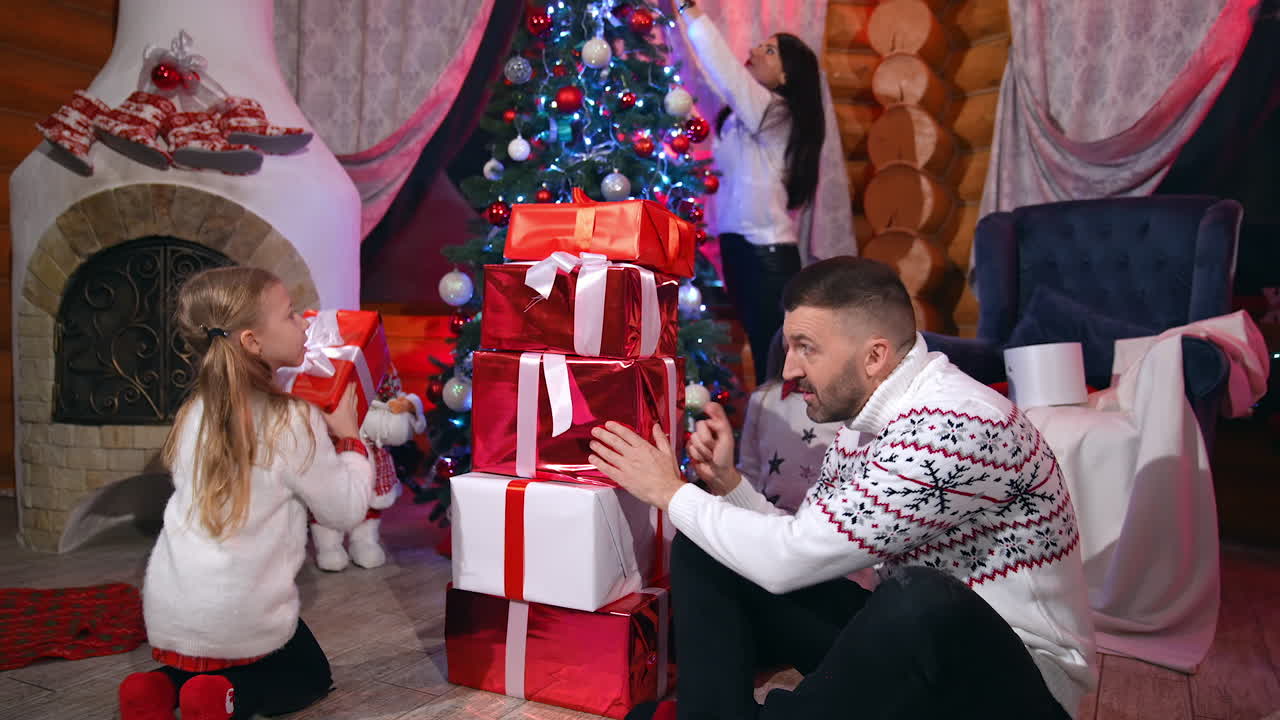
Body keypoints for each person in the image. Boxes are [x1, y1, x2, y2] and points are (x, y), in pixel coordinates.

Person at [588, 257, 1096, 719]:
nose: (788, 369)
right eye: (789, 346)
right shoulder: (862, 423)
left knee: (921, 600)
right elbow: (804, 544)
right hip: (914, 648)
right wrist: (728, 485)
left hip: (1019, 685)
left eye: (805, 348)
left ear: (874, 356)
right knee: (709, 547)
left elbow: (788, 562)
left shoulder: (955, 424)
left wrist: (671, 492)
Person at [117, 267, 375, 720]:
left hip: (167, 614)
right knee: (308, 673)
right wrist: (352, 440)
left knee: (212, 643)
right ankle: (230, 697)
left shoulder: (193, 411)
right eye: (292, 315)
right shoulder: (292, 420)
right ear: (253, 342)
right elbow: (346, 511)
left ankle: (158, 686)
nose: (304, 324)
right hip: (238, 615)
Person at [672, 0, 826, 385]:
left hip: (767, 256)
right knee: (763, 355)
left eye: (769, 50)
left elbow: (726, 73)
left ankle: (782, 441)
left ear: (787, 76)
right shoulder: (744, 119)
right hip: (739, 249)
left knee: (775, 359)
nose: (754, 51)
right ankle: (767, 439)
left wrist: (688, 9)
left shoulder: (777, 114)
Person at [739, 330, 844, 514]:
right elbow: (749, 467)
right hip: (767, 516)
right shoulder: (763, 399)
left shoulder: (842, 403)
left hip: (823, 521)